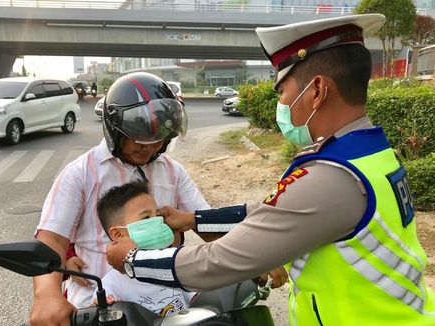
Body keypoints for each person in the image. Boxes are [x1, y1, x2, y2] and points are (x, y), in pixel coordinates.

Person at [106, 14, 435, 325]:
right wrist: (194, 219)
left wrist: (133, 261)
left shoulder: (332, 176)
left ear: (317, 91)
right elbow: (276, 211)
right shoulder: (369, 153)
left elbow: (219, 261)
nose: (282, 103)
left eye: (284, 92)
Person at [30, 72, 209, 325]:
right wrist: (46, 295)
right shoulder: (80, 173)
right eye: (140, 140)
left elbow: (206, 220)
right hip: (99, 307)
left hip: (170, 303)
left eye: (159, 140)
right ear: (114, 130)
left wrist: (250, 255)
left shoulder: (172, 171)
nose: (151, 148)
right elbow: (51, 241)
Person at [94, 180, 198, 316]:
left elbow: (197, 298)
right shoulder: (110, 285)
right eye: (146, 218)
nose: (157, 222)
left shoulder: (172, 261)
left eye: (157, 216)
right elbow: (101, 311)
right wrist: (106, 309)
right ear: (118, 234)